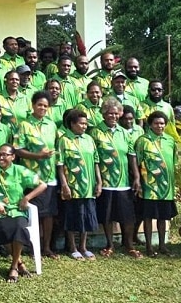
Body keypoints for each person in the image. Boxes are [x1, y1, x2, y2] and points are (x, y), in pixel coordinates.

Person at [0, 144, 46, 283]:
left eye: (5, 155)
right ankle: (19, 263)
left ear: (13, 157)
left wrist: (27, 198)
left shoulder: (20, 171)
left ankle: (14, 266)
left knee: (19, 227)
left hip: (17, 211)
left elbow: (43, 185)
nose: (1, 157)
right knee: (5, 228)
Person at [89, 98, 141, 258]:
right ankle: (110, 245)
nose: (113, 116)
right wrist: (98, 181)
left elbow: (132, 157)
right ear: (104, 114)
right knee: (107, 216)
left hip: (124, 182)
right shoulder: (95, 132)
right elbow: (95, 159)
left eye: (116, 113)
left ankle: (129, 245)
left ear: (120, 114)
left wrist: (137, 178)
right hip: (105, 182)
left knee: (127, 217)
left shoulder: (125, 133)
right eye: (109, 113)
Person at [13, 91, 59, 259]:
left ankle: (46, 247)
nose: (42, 108)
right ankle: (32, 246)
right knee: (34, 213)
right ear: (32, 105)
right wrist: (37, 156)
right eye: (39, 104)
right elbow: (17, 150)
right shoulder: (24, 124)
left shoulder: (51, 124)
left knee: (49, 214)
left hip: (50, 175)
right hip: (31, 177)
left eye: (45, 106)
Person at [57, 109, 102, 261]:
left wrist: (99, 182)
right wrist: (64, 185)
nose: (84, 126)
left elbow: (96, 161)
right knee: (72, 216)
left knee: (87, 216)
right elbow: (60, 165)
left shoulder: (89, 139)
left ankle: (83, 247)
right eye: (81, 123)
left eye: (85, 123)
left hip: (89, 186)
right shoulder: (64, 140)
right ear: (72, 124)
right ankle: (73, 247)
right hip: (73, 186)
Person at [134, 111, 177, 257]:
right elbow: (137, 162)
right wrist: (138, 181)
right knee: (148, 217)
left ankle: (162, 246)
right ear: (150, 125)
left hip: (166, 187)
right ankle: (148, 247)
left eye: (162, 123)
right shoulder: (143, 141)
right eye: (156, 123)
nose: (160, 126)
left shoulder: (170, 140)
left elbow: (173, 162)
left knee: (163, 218)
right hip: (149, 186)